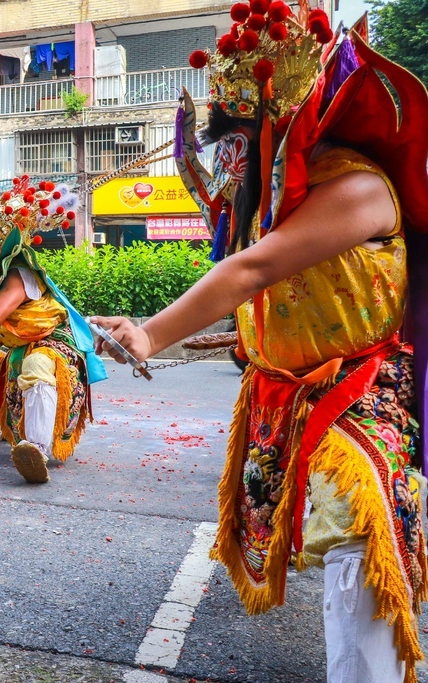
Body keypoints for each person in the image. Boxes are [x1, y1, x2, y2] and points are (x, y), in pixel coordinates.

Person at [92, 9, 428, 682]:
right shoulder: (278, 201)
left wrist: (151, 332)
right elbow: (266, 287)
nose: (230, 159)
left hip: (361, 391)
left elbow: (251, 271)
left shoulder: (357, 186)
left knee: (356, 520)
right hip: (284, 390)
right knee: (311, 523)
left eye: (240, 139)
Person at [0, 180, 107, 483]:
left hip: (53, 344)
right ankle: (11, 425)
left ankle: (37, 449)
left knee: (35, 366)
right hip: (18, 343)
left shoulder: (17, 273)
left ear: (1, 247)